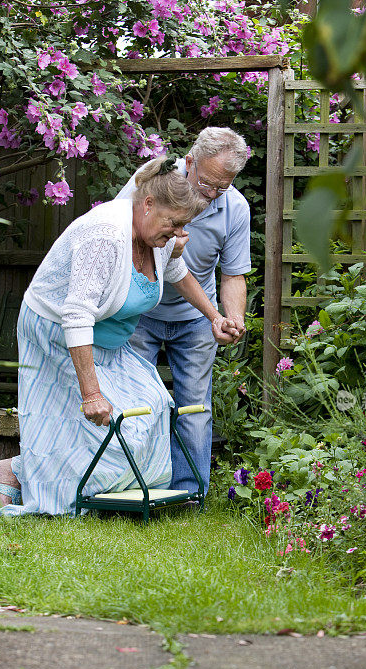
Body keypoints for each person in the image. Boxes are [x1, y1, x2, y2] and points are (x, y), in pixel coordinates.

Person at [0, 155, 238, 516]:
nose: (181, 235)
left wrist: (215, 316)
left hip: (108, 341)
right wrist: (92, 393)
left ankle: (16, 468)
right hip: (58, 332)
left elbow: (177, 271)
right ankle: (28, 477)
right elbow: (76, 314)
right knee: (85, 423)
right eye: (175, 225)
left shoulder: (161, 234)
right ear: (148, 203)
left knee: (148, 410)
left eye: (185, 227)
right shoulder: (105, 236)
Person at [116, 127, 250, 497]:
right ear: (189, 162)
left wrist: (230, 318)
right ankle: (128, 486)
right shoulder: (151, 182)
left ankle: (190, 494)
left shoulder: (235, 208)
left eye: (221, 188)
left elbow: (233, 274)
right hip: (140, 309)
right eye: (206, 183)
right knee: (134, 401)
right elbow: (117, 237)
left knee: (194, 408)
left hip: (195, 319)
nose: (211, 195)